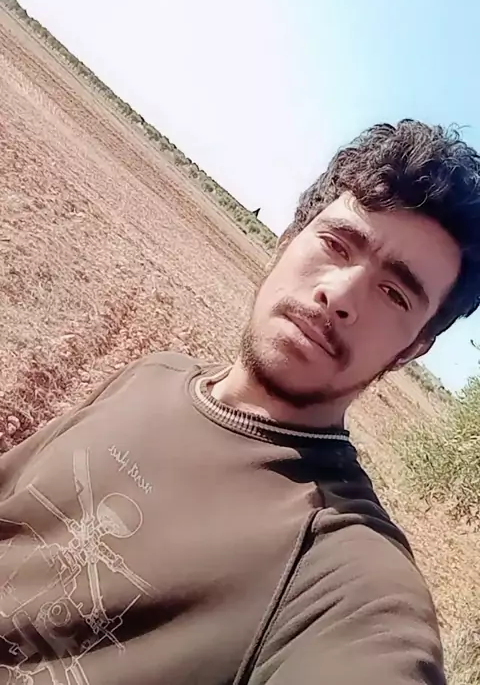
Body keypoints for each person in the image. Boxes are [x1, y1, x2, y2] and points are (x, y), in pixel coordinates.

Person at [0, 120, 479, 685]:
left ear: (412, 349)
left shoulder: (340, 570)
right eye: (336, 244)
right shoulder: (151, 376)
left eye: (394, 293)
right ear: (288, 237)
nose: (340, 295)